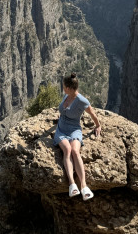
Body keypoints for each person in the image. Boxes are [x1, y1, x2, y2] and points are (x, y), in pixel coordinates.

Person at [53, 72, 101, 200]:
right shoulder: (66, 96)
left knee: (75, 151)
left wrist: (98, 126)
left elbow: (92, 114)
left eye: (64, 87)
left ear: (69, 88)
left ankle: (84, 186)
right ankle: (72, 184)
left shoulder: (82, 101)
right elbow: (63, 112)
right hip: (61, 130)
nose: (63, 88)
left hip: (74, 129)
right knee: (67, 150)